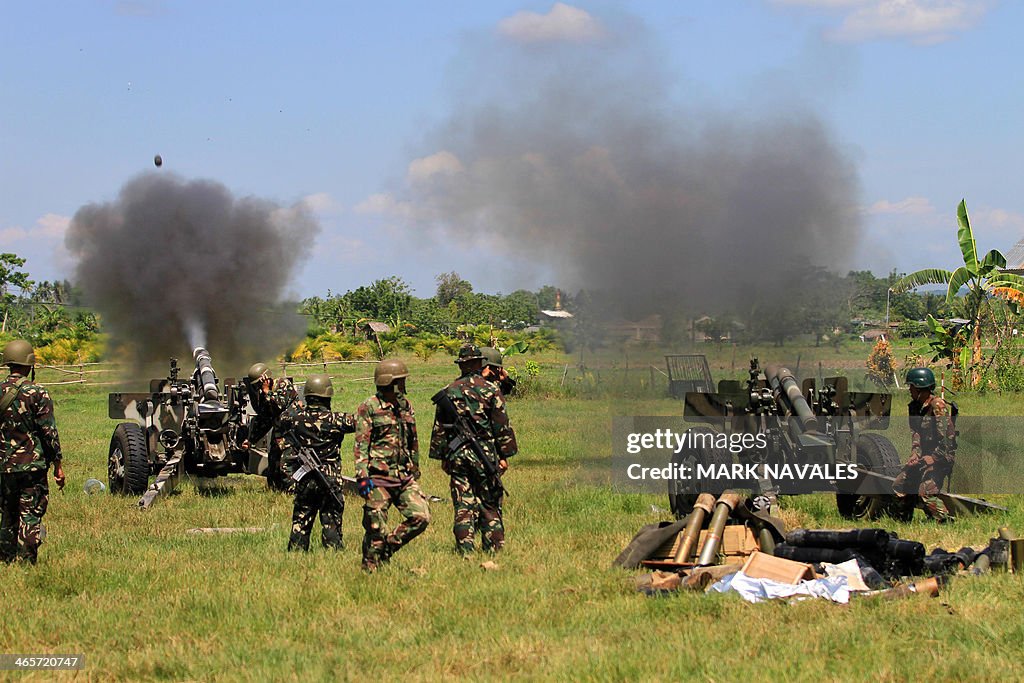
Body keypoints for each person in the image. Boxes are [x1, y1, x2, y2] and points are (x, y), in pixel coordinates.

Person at [430, 344, 518, 555]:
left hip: (457, 455)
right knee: (489, 504)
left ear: (461, 365)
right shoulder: (490, 390)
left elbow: (440, 427)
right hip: (485, 454)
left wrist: (442, 455)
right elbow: (501, 426)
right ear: (480, 363)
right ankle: (494, 549)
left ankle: (465, 550)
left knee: (463, 505)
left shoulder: (449, 391)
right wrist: (504, 455)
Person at [354, 359, 430, 572]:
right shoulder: (369, 407)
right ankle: (369, 568)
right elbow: (361, 443)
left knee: (421, 517)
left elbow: (412, 439)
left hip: (403, 477)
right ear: (389, 382)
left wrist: (415, 468)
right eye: (400, 380)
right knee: (375, 526)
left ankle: (386, 549)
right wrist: (362, 476)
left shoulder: (406, 405)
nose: (404, 384)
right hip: (378, 478)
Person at [0, 340, 64, 564]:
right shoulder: (38, 392)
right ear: (29, 364)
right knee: (30, 512)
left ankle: (6, 559)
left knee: (7, 512)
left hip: (4, 466)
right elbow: (49, 433)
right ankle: (27, 560)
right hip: (32, 465)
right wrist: (57, 464)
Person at [279, 374, 354, 551]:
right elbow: (361, 422)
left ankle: (296, 553)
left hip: (305, 478)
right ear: (327, 396)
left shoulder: (294, 419)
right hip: (329, 479)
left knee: (301, 520)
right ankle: (332, 554)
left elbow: (282, 420)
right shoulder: (336, 420)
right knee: (331, 521)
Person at [892, 367, 955, 522]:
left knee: (925, 492)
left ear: (920, 388)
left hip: (941, 459)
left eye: (912, 387)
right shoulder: (913, 407)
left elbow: (948, 440)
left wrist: (933, 458)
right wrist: (915, 454)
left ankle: (944, 521)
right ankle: (903, 521)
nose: (910, 390)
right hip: (923, 458)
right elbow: (916, 433)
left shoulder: (937, 406)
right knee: (899, 485)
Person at [244, 362, 299, 492]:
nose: (258, 387)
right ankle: (274, 492)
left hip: (291, 434)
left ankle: (290, 493)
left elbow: (279, 405)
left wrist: (267, 391)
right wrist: (251, 440)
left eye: (259, 383)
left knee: (286, 467)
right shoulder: (264, 394)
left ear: (266, 379)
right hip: (279, 434)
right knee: (273, 467)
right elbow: (265, 418)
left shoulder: (283, 385)